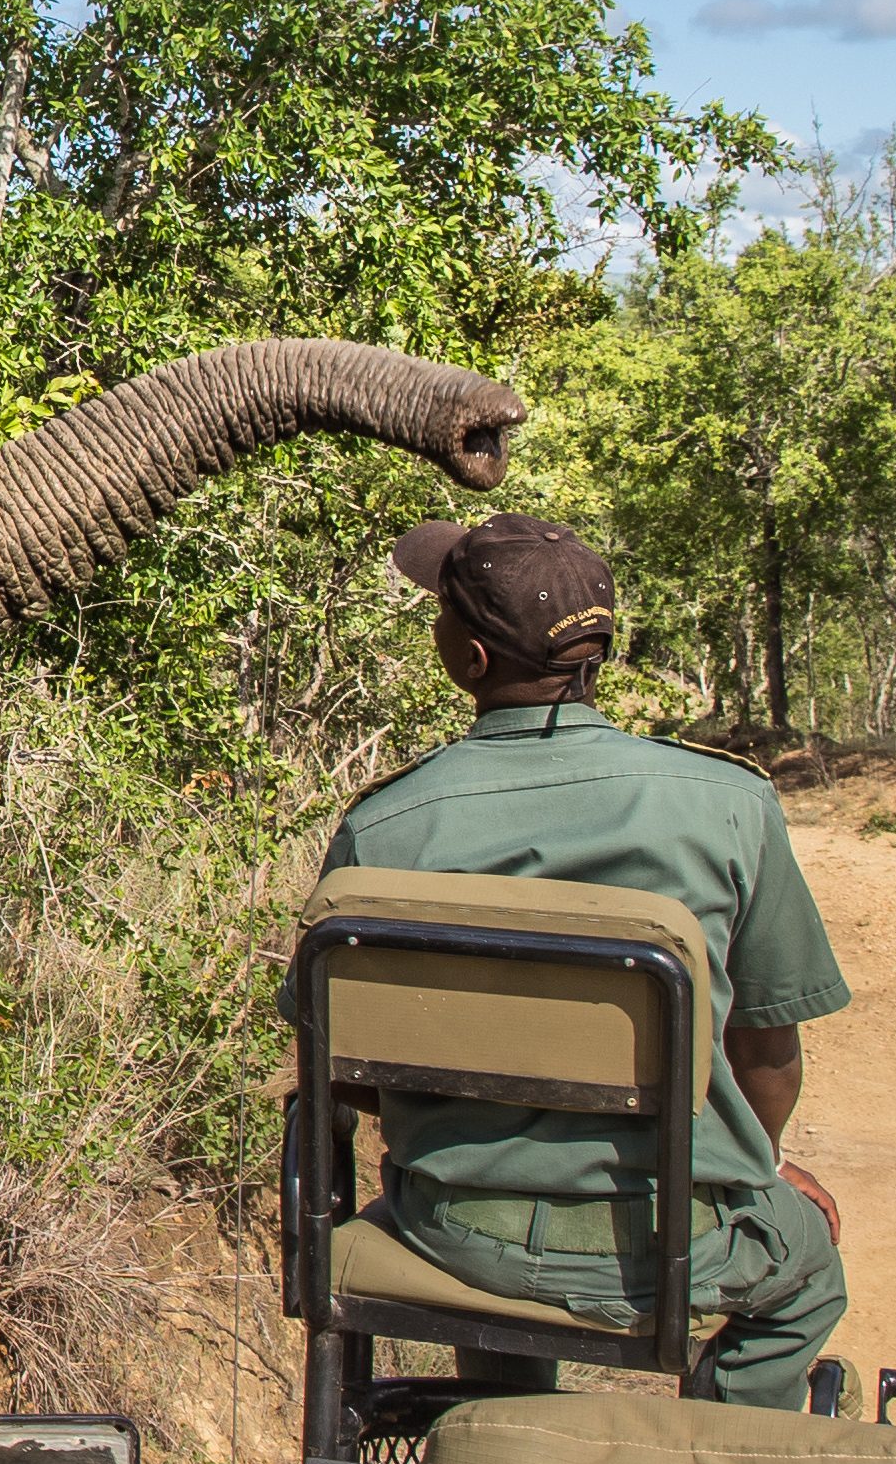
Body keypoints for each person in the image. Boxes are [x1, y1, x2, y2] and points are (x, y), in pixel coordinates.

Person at [326, 510, 851, 1409]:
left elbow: (354, 1072)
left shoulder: (384, 827)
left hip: (459, 1234)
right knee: (809, 1274)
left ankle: (507, 1443)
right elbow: (767, 1054)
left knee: (494, 1289)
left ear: (473, 661)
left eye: (443, 614)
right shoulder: (729, 804)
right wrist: (751, 1170)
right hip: (680, 1235)